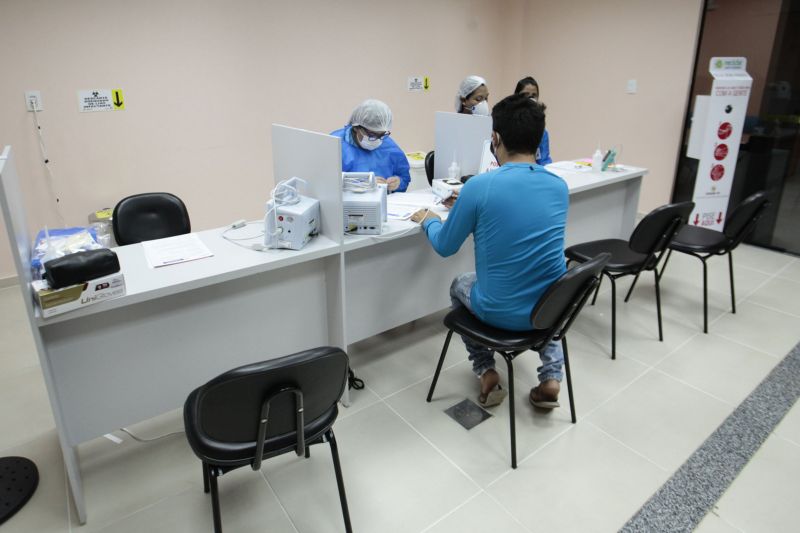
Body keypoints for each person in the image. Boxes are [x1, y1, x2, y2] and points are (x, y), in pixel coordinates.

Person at [411, 94, 568, 409]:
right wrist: (471, 207)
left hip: (500, 312)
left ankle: (485, 370)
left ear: (495, 139)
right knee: (544, 281)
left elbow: (444, 246)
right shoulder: (558, 186)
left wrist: (429, 221)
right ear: (539, 141)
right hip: (551, 310)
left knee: (459, 284)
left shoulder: (479, 187)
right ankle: (551, 377)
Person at [330, 99, 410, 193]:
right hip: (348, 206)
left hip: (383, 203)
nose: (377, 139)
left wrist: (398, 183)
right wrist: (361, 185)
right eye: (372, 134)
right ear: (356, 127)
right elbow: (325, 181)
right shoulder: (335, 145)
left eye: (381, 134)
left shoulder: (390, 147)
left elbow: (404, 177)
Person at [514, 76, 552, 165]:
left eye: (534, 96)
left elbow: (544, 160)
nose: (530, 99)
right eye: (524, 95)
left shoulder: (542, 132)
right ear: (515, 97)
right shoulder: (506, 126)